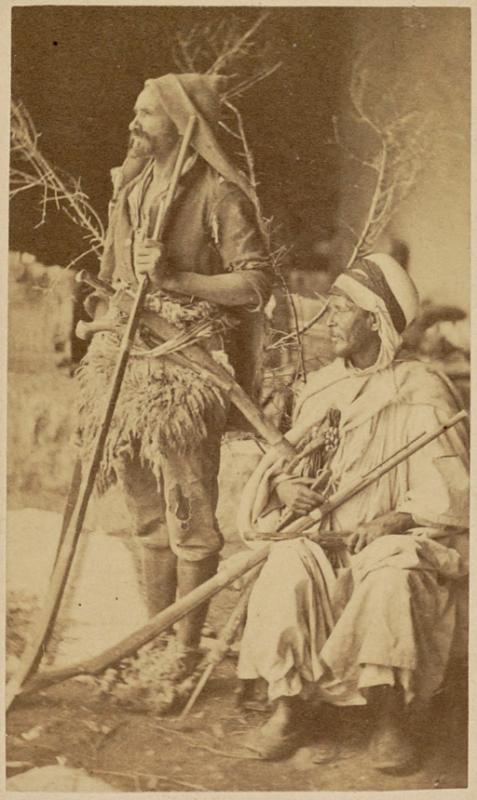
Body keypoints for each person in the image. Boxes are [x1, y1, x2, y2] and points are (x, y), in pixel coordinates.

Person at [236, 253, 469, 772]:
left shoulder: (422, 391)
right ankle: (288, 709)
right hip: (324, 540)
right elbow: (285, 463)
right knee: (285, 565)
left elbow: (451, 496)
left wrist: (396, 519)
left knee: (391, 574)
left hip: (389, 542)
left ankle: (390, 719)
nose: (330, 320)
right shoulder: (324, 389)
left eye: (342, 309)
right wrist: (284, 484)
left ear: (374, 320)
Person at [76, 73, 272, 683]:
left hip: (186, 371)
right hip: (128, 368)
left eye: (147, 115)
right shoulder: (132, 191)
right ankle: (155, 637)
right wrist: (105, 326)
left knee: (191, 518)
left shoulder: (220, 195)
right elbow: (113, 281)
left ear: (185, 126)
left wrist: (178, 281)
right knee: (145, 519)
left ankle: (184, 652)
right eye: (135, 112)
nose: (134, 124)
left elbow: (257, 284)